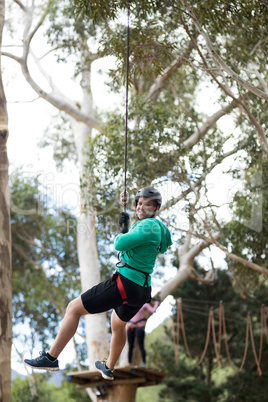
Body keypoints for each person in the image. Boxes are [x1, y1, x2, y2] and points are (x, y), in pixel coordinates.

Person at [24, 187, 172, 380]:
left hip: (126, 283)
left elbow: (119, 244)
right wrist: (127, 220)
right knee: (118, 325)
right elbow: (158, 243)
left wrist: (123, 230)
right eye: (139, 203)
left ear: (156, 208)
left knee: (73, 308)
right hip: (141, 290)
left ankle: (51, 358)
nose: (141, 207)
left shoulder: (147, 226)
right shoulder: (159, 228)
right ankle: (109, 367)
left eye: (147, 204)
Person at [127, 298, 160, 367]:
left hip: (140, 326)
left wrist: (157, 302)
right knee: (130, 346)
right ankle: (129, 363)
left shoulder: (144, 304)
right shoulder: (130, 303)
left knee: (141, 345)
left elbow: (153, 310)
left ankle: (144, 362)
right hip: (131, 326)